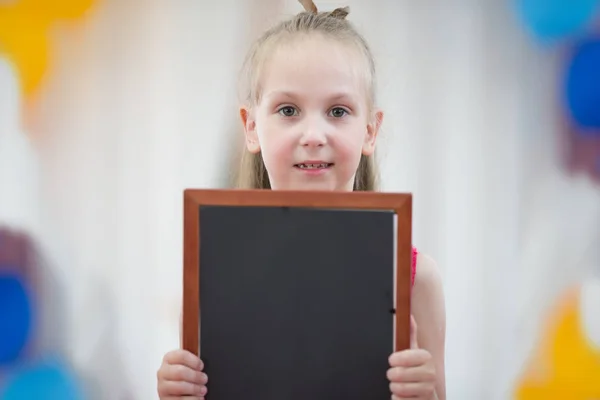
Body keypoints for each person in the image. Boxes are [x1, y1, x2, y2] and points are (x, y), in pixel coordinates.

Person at [156, 1, 446, 399]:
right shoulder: (210, 274)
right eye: (288, 109)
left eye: (338, 110)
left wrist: (423, 394)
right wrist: (179, 392)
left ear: (370, 131)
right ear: (253, 127)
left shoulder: (416, 280)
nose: (313, 135)